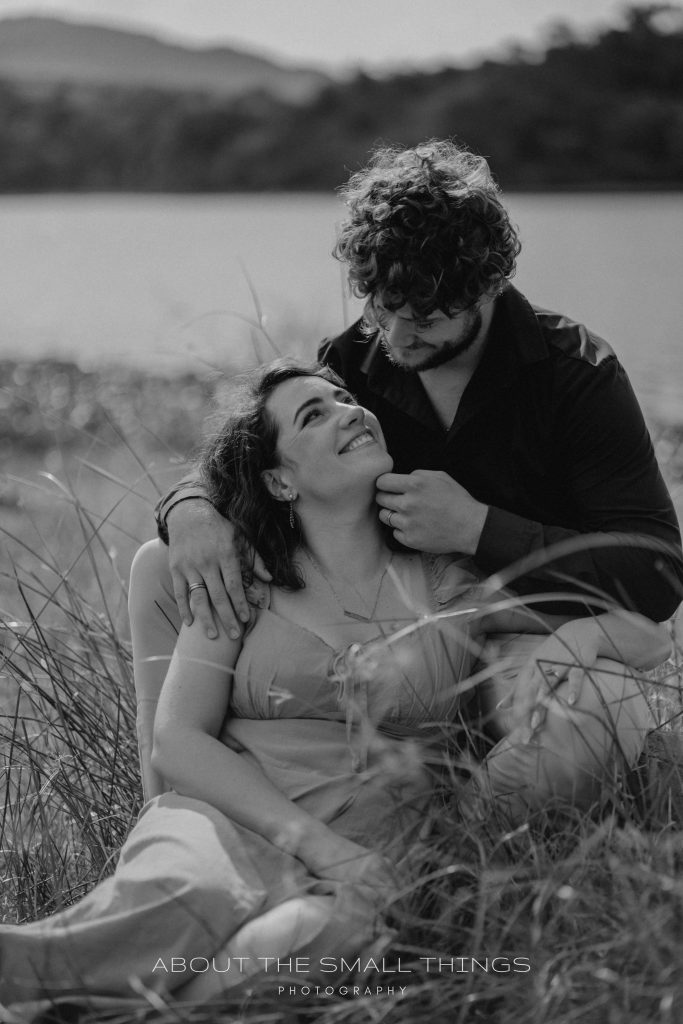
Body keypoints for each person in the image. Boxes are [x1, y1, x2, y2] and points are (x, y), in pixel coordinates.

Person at [0, 363, 668, 1015]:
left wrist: (582, 637)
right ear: (280, 480)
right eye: (313, 415)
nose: (349, 412)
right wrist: (321, 848)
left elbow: (649, 636)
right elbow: (176, 739)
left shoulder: (447, 585)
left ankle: (75, 1008)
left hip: (372, 860)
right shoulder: (243, 575)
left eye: (345, 398)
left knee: (327, 937)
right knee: (192, 893)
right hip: (227, 819)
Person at [156, 140, 683, 668]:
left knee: (571, 693)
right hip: (395, 625)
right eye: (382, 309)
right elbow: (256, 451)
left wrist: (478, 528)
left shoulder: (578, 376)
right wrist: (189, 510)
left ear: (489, 285)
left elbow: (659, 573)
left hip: (531, 628)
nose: (396, 338)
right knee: (159, 567)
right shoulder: (352, 357)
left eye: (425, 320)